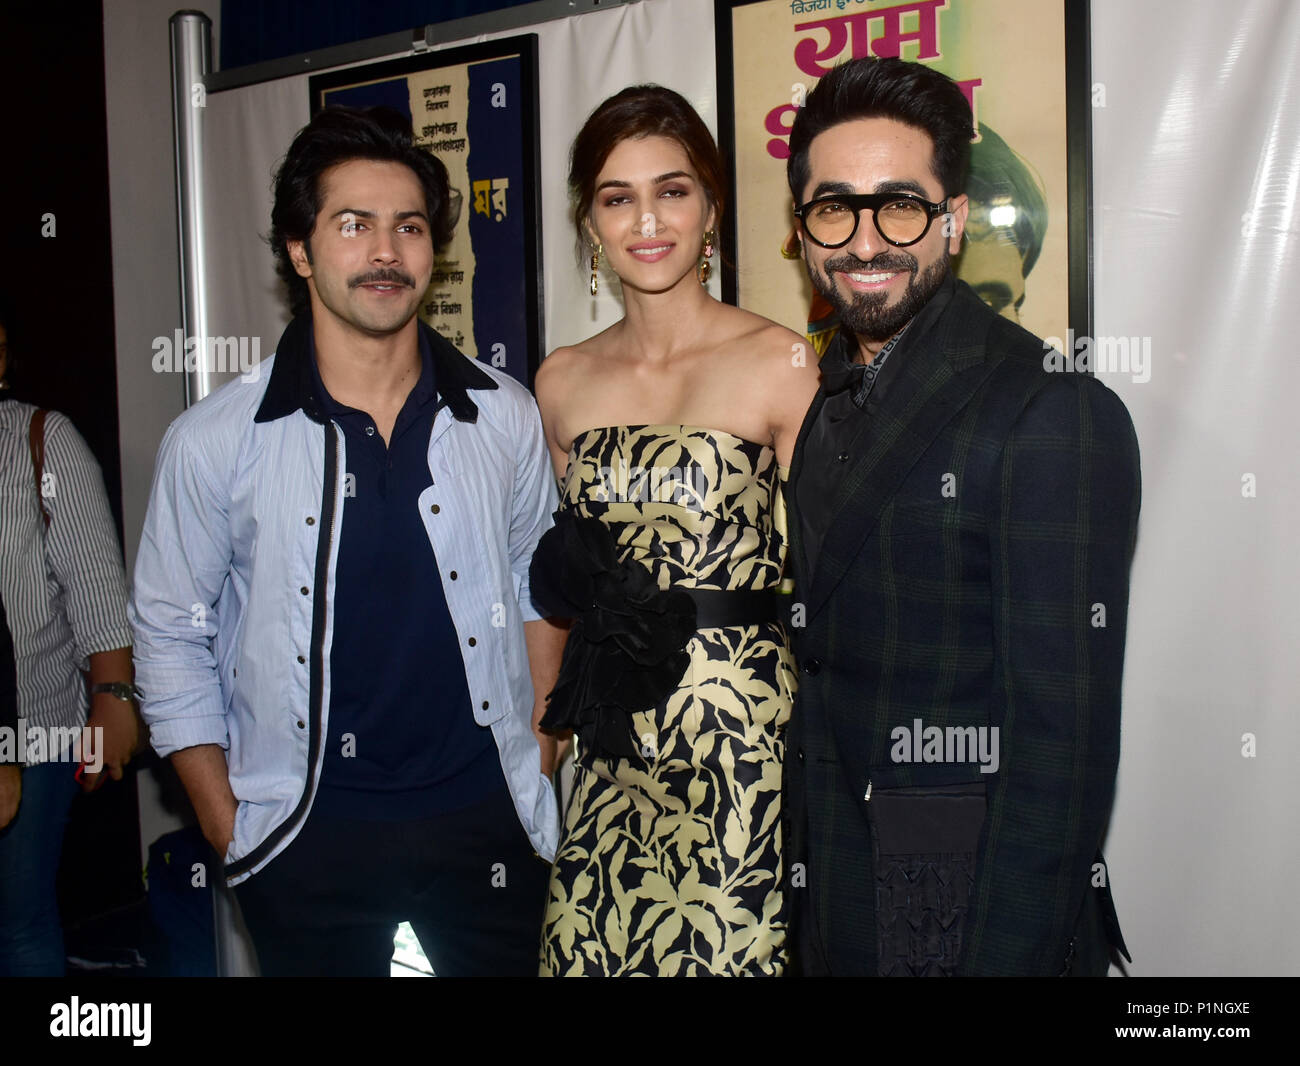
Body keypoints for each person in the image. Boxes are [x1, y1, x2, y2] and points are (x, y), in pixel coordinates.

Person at [129, 106, 565, 977]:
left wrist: (541, 752)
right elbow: (169, 634)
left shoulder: (504, 414)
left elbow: (537, 586)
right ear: (300, 249)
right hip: (304, 843)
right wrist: (231, 829)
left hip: (490, 827)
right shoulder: (218, 438)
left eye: (407, 227)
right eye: (353, 224)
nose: (385, 252)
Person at [782, 57, 1139, 976]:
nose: (866, 241)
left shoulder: (1050, 410)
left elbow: (1060, 754)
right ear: (804, 229)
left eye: (900, 205)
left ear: (955, 220)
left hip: (965, 919)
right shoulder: (828, 394)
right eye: (835, 207)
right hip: (834, 896)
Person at [532, 85, 820, 976]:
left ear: (712, 209)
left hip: (746, 748)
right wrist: (549, 742)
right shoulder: (562, 382)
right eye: (617, 198)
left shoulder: (782, 361)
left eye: (673, 190)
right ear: (589, 220)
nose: (646, 220)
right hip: (613, 743)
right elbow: (565, 584)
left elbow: (830, 578)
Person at [0, 309, 139, 976]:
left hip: (32, 729)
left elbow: (94, 586)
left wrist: (113, 696)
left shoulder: (39, 440)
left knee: (18, 919)